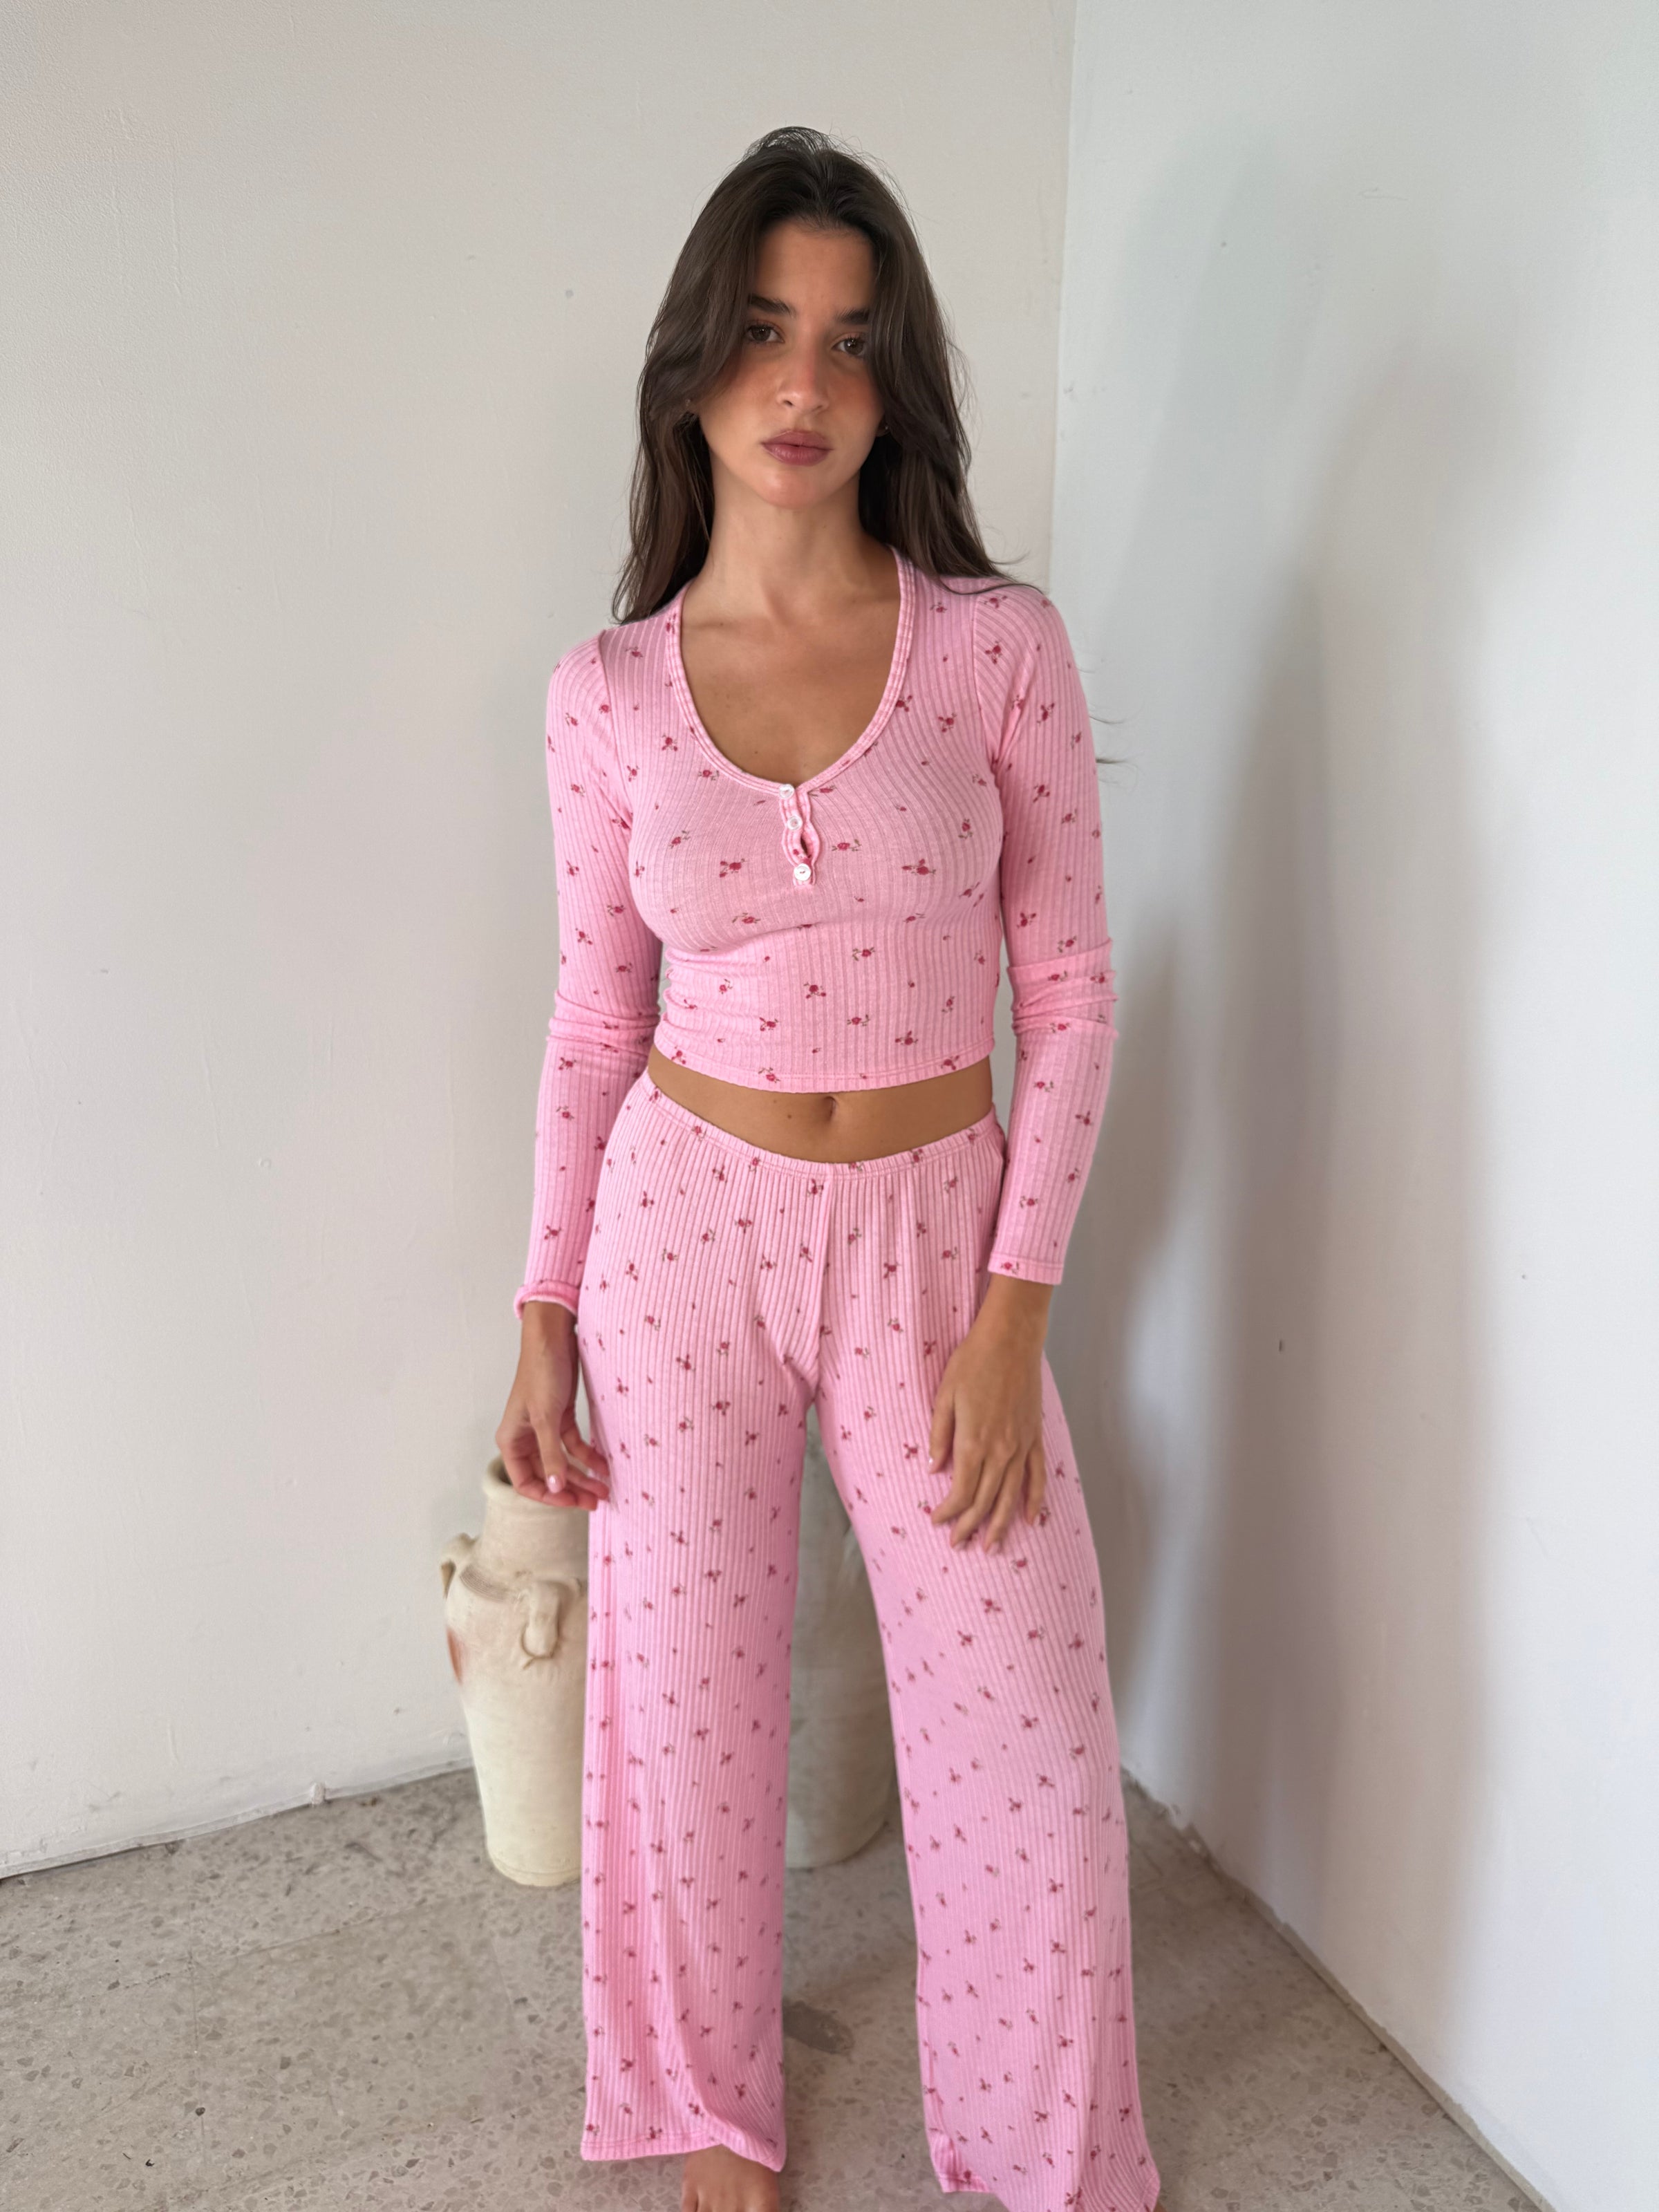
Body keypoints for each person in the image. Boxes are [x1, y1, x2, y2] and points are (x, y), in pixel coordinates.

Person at [496, 125, 1163, 2212]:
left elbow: (1071, 990)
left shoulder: (993, 649)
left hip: (939, 1232)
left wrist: (1016, 1309)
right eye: (766, 330)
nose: (804, 382)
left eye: (852, 341)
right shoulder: (604, 698)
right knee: (684, 1708)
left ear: (898, 382)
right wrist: (540, 1307)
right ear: (694, 364)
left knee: (1025, 1729)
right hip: (683, 1226)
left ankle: (1050, 2155)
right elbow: (594, 1018)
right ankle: (712, 2112)